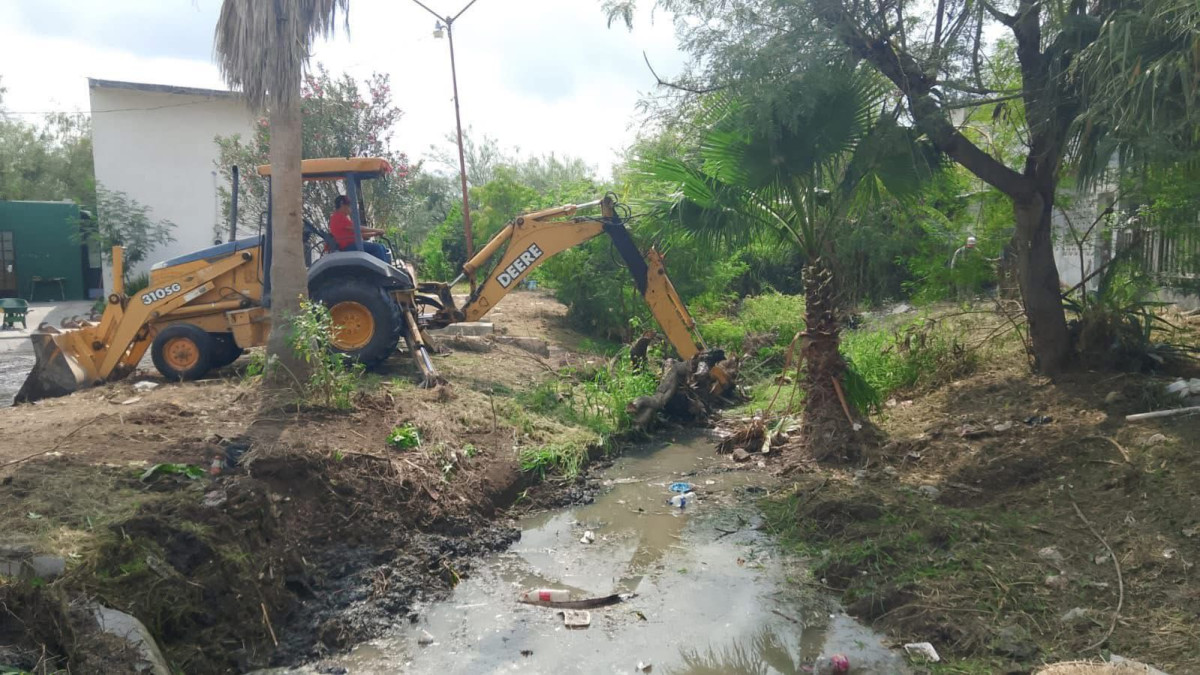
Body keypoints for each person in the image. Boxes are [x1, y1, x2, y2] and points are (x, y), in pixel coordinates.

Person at [328, 195, 391, 264]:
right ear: (342, 205)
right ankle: (380, 270)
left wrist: (375, 234)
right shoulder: (338, 217)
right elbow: (358, 228)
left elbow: (358, 234)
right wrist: (377, 230)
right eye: (349, 205)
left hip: (353, 243)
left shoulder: (342, 217)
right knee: (378, 248)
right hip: (348, 246)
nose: (351, 208)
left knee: (382, 247)